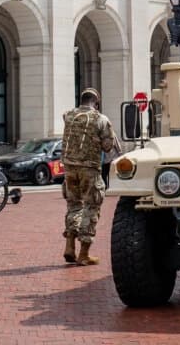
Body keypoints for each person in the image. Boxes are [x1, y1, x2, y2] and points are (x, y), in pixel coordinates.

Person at [61, 88, 121, 266]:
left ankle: (69, 246)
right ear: (96, 102)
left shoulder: (68, 116)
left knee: (73, 206)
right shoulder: (101, 119)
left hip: (70, 168)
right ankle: (84, 253)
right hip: (90, 170)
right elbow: (108, 146)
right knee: (91, 207)